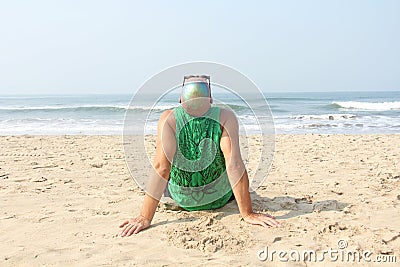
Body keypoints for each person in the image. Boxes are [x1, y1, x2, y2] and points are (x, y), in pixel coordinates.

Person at [120, 75, 280, 236]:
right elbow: (234, 165)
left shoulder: (169, 119)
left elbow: (162, 168)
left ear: (181, 99)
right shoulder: (226, 116)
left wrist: (145, 216)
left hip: (182, 200)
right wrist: (247, 213)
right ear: (210, 99)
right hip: (219, 198)